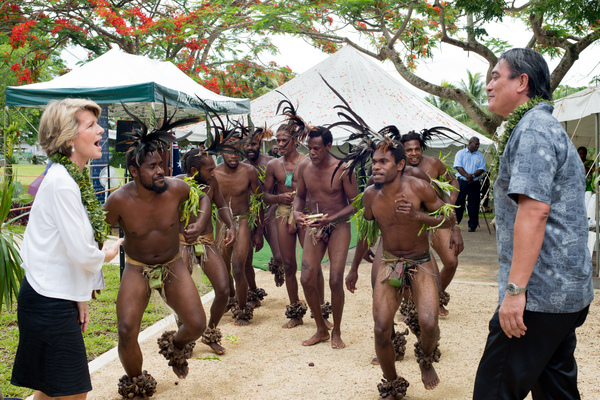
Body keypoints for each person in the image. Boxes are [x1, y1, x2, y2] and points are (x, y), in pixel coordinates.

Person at [473, 48, 594, 399]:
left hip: (540, 295)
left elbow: (535, 212)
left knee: (493, 391)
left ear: (522, 82)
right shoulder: (541, 126)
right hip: (566, 292)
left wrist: (514, 293)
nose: (489, 84)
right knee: (555, 388)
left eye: (497, 76)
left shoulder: (533, 129)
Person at [11, 99, 122, 400]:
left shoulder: (71, 177)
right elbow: (82, 253)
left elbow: (64, 250)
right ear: (70, 138)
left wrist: (79, 298)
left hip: (55, 297)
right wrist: (110, 253)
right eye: (91, 125)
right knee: (72, 393)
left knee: (50, 392)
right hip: (47, 303)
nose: (102, 129)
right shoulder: (62, 183)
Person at [104, 108, 210, 398]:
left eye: (161, 164)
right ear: (135, 171)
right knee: (126, 330)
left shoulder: (176, 189)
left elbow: (203, 200)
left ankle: (175, 346)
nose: (161, 170)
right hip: (137, 268)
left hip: (173, 264)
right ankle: (136, 380)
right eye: (152, 166)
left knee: (197, 325)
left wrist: (199, 222)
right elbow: (95, 235)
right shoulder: (118, 201)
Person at [363, 140, 455, 398]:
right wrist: (355, 263)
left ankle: (425, 360)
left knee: (428, 323)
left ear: (400, 164)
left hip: (421, 260)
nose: (376, 167)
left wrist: (419, 216)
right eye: (374, 162)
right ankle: (392, 384)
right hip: (391, 262)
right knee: (381, 328)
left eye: (383, 162)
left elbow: (449, 218)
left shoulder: (418, 188)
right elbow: (366, 226)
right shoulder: (370, 195)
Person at [293, 126, 358, 349]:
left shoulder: (342, 169)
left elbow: (356, 205)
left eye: (317, 148)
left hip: (338, 225)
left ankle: (336, 331)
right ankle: (321, 328)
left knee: (335, 279)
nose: (312, 152)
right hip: (315, 226)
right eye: (309, 148)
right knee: (306, 279)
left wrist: (332, 218)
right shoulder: (304, 167)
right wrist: (296, 213)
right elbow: (299, 197)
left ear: (328, 146)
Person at [178, 148, 236, 355]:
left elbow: (221, 205)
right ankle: (184, 337)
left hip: (206, 241)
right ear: (194, 170)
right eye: (209, 169)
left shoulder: (212, 183)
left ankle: (210, 332)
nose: (213, 172)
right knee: (180, 294)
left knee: (223, 288)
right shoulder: (177, 184)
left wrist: (231, 225)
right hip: (181, 243)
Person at [400, 130, 464, 316]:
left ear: (422, 148)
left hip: (436, 218)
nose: (413, 153)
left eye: (417, 149)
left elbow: (453, 184)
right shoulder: (399, 168)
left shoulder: (434, 164)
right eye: (409, 150)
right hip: (411, 222)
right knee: (408, 266)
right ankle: (411, 307)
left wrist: (449, 211)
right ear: (403, 151)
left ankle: (435, 297)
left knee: (451, 261)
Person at [263, 123, 312, 328]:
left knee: (311, 267)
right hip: (283, 216)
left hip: (305, 217)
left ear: (296, 140)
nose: (280, 144)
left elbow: (318, 191)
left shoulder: (308, 163)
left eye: (284, 140)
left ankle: (321, 311)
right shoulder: (273, 166)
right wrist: (278, 198)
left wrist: (303, 205)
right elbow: (265, 196)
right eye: (278, 140)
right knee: (289, 265)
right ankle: (295, 312)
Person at [214, 148, 264, 326]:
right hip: (222, 222)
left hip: (243, 220)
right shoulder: (214, 173)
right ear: (221, 153)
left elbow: (258, 200)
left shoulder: (248, 171)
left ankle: (243, 311)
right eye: (229, 151)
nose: (234, 155)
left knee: (238, 266)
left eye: (237, 151)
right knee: (223, 266)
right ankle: (232, 298)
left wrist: (259, 231)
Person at [243, 127, 285, 289]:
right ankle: (253, 292)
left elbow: (278, 191)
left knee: (280, 256)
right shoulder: (242, 167)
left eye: (253, 144)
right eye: (246, 145)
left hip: (270, 212)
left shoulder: (270, 163)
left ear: (259, 144)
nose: (250, 147)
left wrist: (271, 210)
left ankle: (277, 267)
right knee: (246, 259)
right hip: (250, 215)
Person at [453, 136, 486, 232]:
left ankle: (472, 225)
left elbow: (481, 169)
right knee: (459, 203)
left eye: (478, 144)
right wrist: (467, 176)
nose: (477, 146)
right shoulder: (460, 153)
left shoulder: (480, 156)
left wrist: (472, 176)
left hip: (474, 182)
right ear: (470, 143)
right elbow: (458, 166)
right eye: (476, 144)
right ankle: (456, 223)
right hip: (462, 182)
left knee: (474, 204)